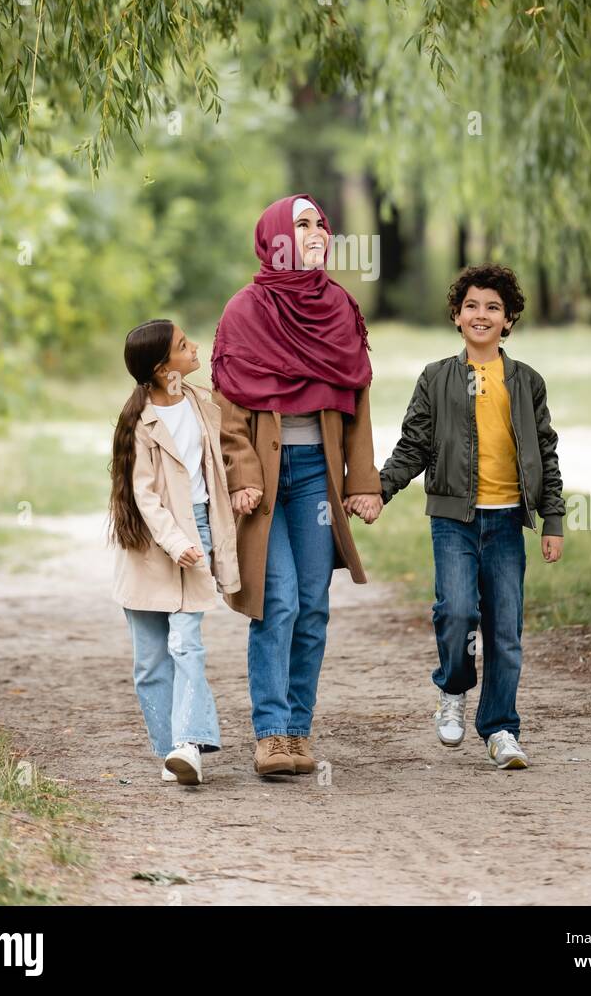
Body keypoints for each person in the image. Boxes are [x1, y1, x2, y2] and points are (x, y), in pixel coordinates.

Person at [212, 193, 382, 778]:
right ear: (276, 237)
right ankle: (270, 732)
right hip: (264, 478)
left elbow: (358, 399)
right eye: (303, 224)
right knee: (277, 599)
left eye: (321, 224)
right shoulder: (244, 311)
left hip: (316, 478)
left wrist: (363, 481)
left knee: (313, 605)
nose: (316, 232)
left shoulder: (339, 308)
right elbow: (230, 408)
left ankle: (298, 732)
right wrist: (242, 476)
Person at [377, 264, 565, 769]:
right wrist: (380, 489)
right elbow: (413, 446)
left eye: (493, 308)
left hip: (506, 522)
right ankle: (454, 688)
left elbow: (545, 451)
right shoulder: (437, 378)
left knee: (505, 630)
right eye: (472, 306)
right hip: (453, 520)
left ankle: (501, 728)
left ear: (509, 320)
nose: (481, 315)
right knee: (457, 611)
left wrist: (553, 519)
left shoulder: (526, 382)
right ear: (457, 317)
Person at [108, 318, 240, 785]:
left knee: (187, 644)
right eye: (185, 346)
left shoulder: (204, 405)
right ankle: (170, 751)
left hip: (197, 531)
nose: (195, 347)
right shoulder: (140, 422)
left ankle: (189, 744)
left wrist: (241, 491)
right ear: (165, 368)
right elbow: (144, 495)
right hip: (149, 544)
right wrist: (175, 540)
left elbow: (229, 455)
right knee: (149, 661)